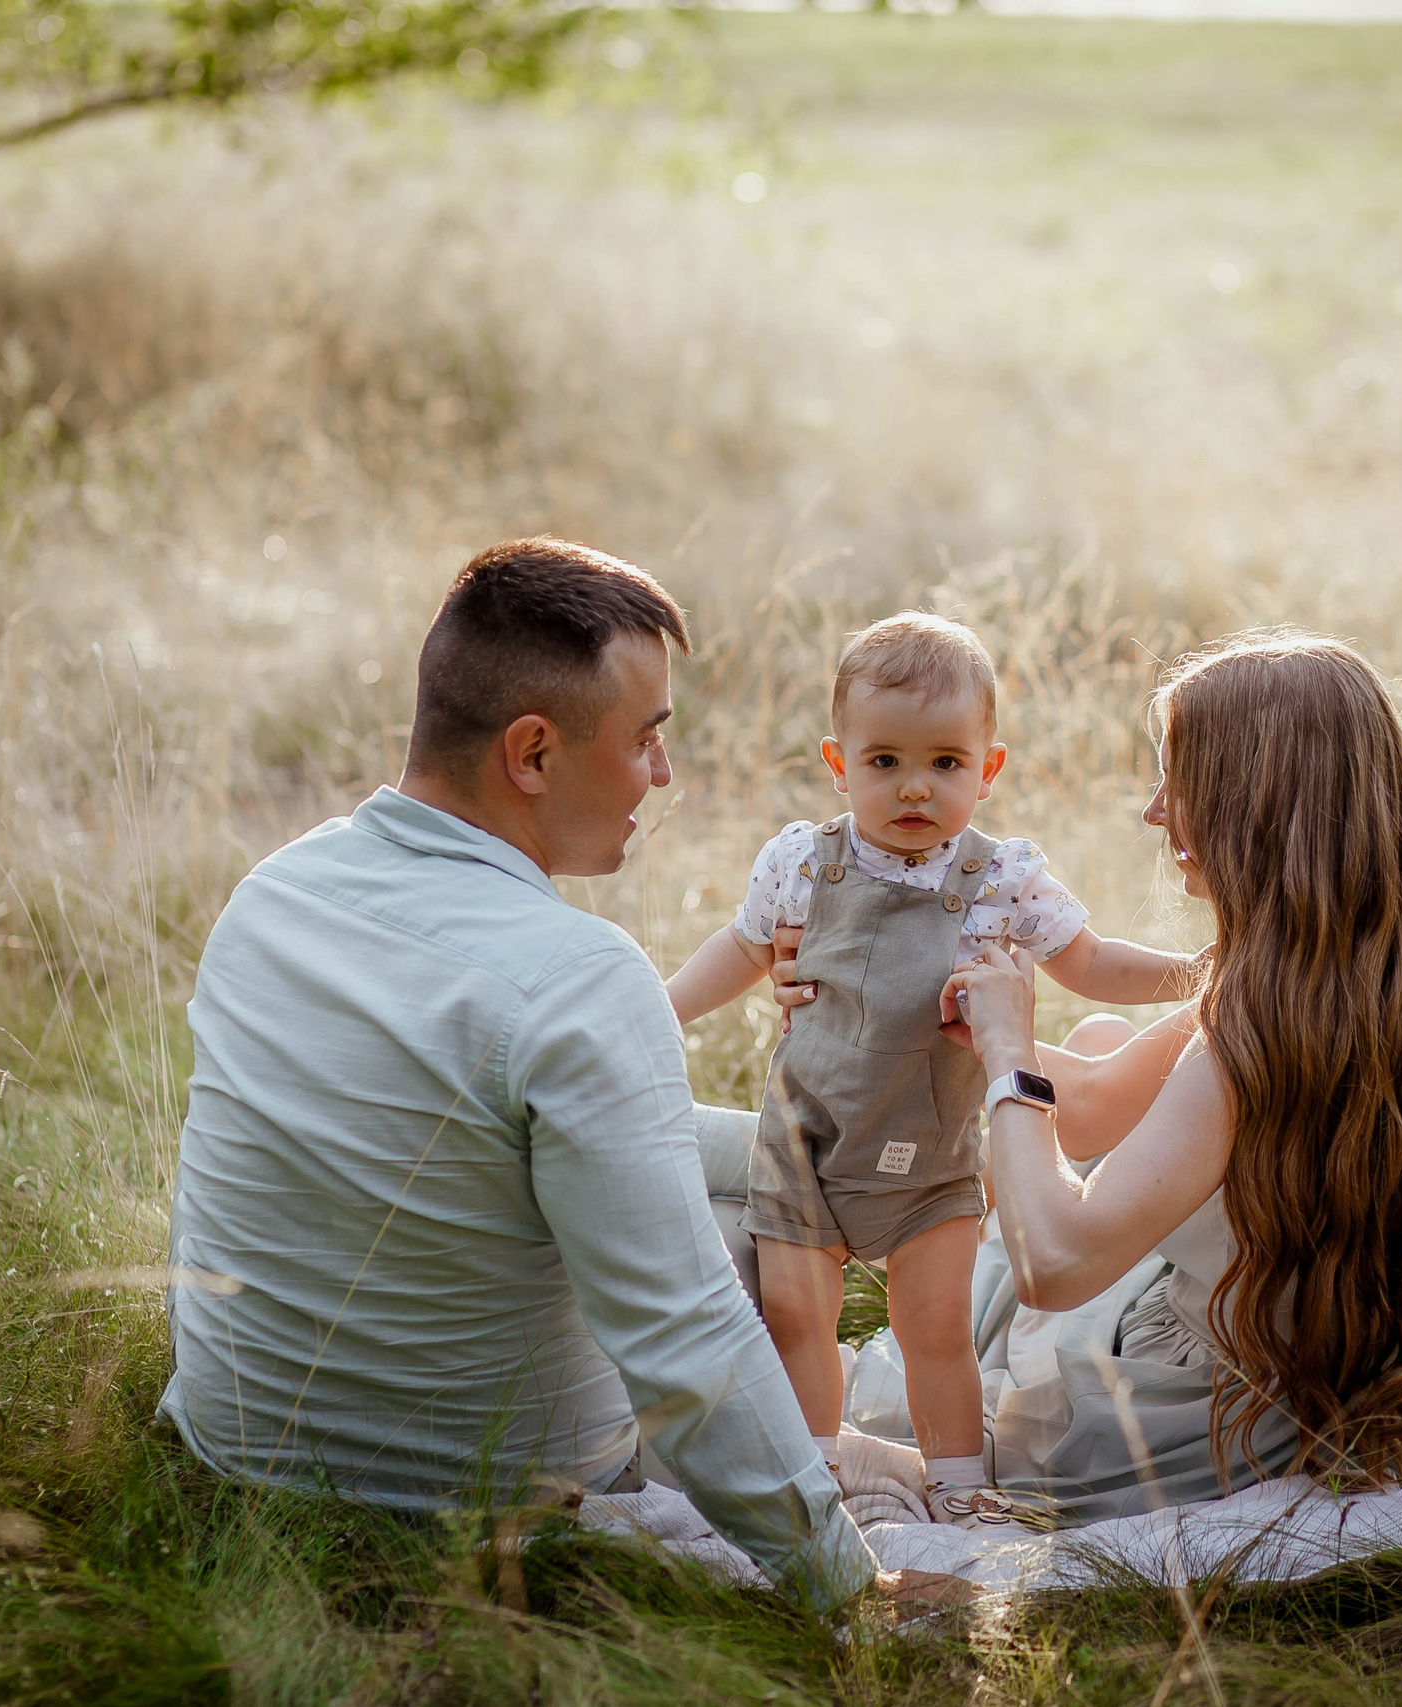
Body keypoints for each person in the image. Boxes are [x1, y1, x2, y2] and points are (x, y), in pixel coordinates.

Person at [157, 538, 879, 1611]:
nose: (662, 776)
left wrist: (815, 1155)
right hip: (484, 1505)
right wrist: (852, 1593)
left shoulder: (276, 891)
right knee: (751, 1248)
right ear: (532, 752)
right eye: (646, 739)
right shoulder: (578, 976)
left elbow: (540, 1132)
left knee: (768, 1192)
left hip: (240, 1457)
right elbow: (684, 1340)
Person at [875, 629, 1402, 1522]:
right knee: (1100, 1042)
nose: (1153, 811)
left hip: (1219, 1413)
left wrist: (1013, 1056)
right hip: (1390, 1363)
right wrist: (967, 1035)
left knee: (999, 1283)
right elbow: (1096, 1105)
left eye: (1179, 781)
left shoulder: (1254, 1033)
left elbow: (1054, 1266)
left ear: (1257, 804)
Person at [664, 613, 1197, 1526]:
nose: (915, 786)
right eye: (885, 762)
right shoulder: (803, 862)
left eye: (946, 762)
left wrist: (1198, 971)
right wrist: (658, 1007)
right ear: (839, 763)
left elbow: (1094, 961)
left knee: (935, 1324)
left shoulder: (1001, 879)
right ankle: (815, 1474)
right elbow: (742, 946)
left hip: (931, 1152)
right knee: (797, 1311)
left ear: (988, 769)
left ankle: (960, 1484)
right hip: (806, 1137)